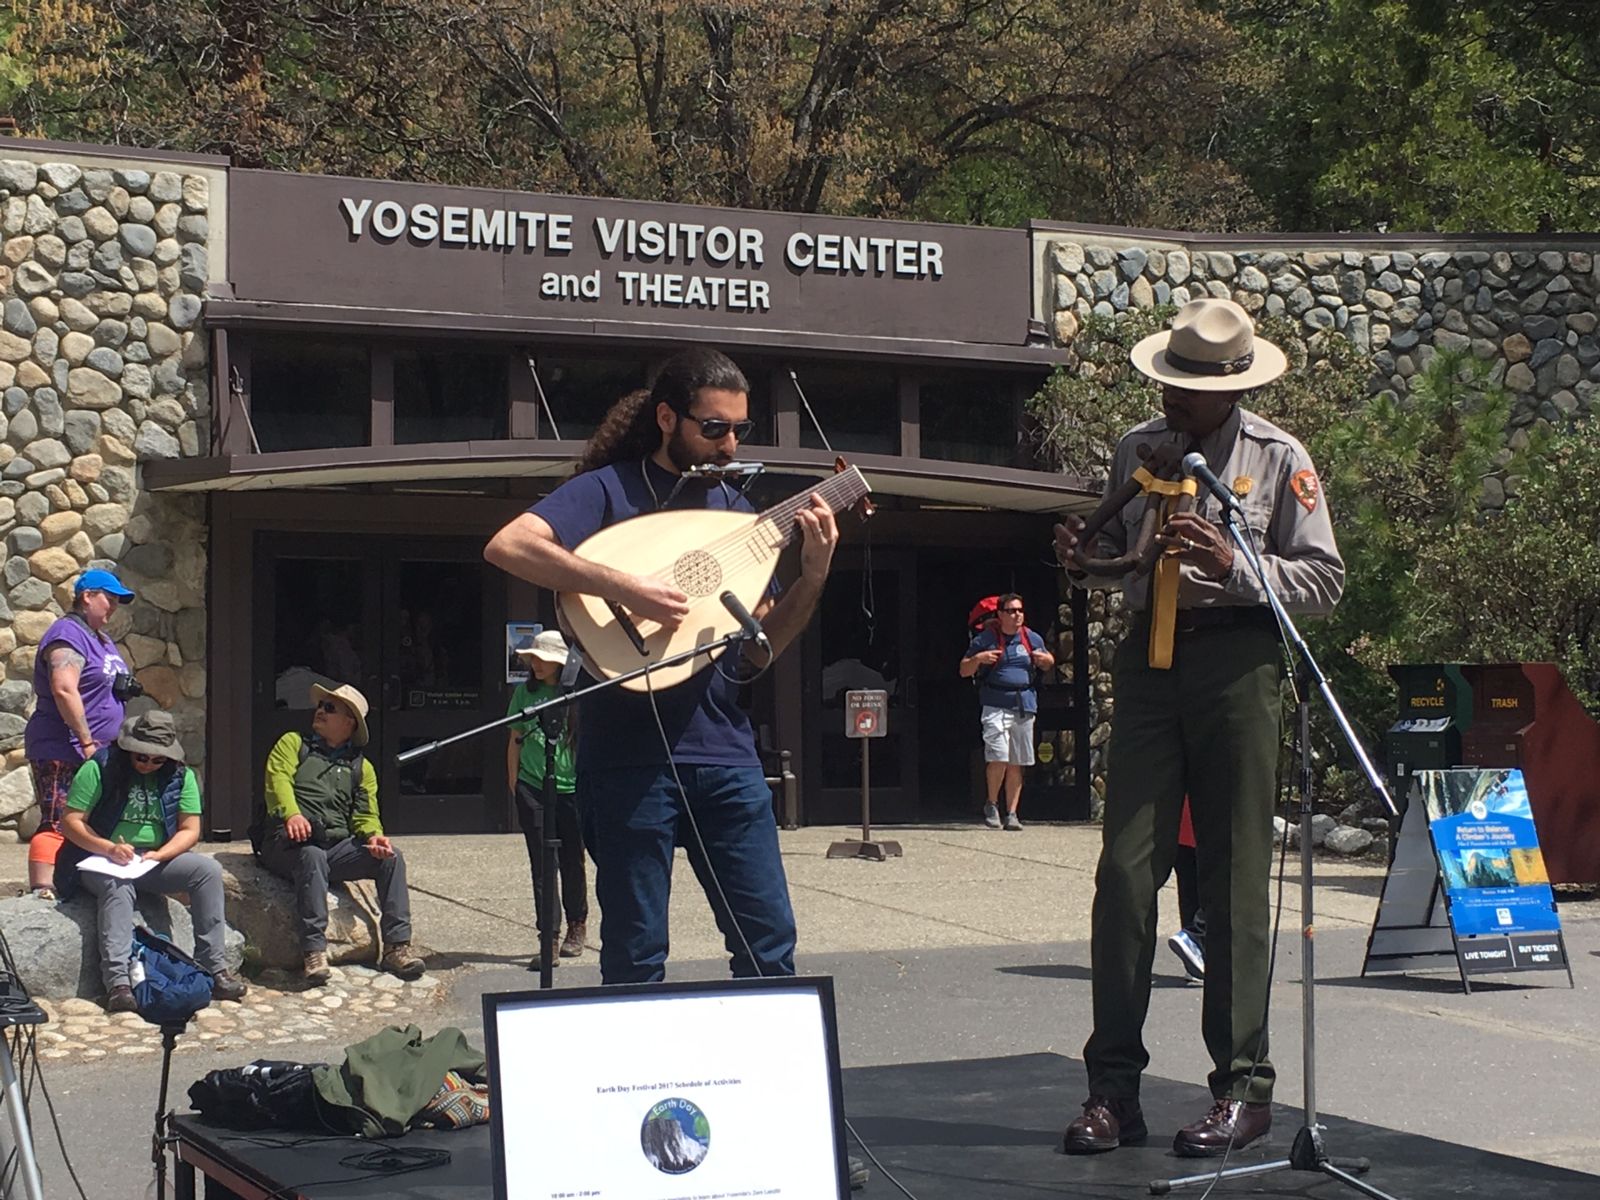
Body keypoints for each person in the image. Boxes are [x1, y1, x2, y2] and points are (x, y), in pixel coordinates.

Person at [1053, 298, 1343, 1157]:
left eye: (1187, 389)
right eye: (1166, 382)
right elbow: (1123, 569)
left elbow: (1325, 583)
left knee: (1233, 881)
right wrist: (1084, 560)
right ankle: (1113, 1090)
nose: (1170, 398)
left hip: (1238, 665)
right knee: (1125, 876)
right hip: (1150, 662)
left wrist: (1239, 567)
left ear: (1230, 391)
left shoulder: (1278, 458)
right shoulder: (1137, 450)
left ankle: (1243, 1090)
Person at [484, 346, 839, 986]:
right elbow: (509, 545)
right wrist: (626, 587)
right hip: (627, 763)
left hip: (726, 757)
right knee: (636, 953)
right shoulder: (606, 490)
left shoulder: (738, 516)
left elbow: (760, 650)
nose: (730, 445)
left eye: (741, 430)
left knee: (768, 946)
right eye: (716, 428)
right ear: (669, 417)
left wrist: (811, 580)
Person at [56, 710, 248, 1011]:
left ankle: (215, 969)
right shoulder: (100, 767)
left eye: (157, 760)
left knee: (207, 870)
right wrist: (108, 849)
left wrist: (162, 854)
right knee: (118, 886)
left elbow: (190, 829)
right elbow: (71, 822)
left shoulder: (181, 776)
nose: (148, 764)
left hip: (151, 859)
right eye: (141, 757)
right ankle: (118, 984)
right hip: (97, 860)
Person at [259, 682, 425, 983]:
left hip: (335, 847)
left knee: (392, 859)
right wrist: (292, 814)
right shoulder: (292, 743)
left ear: (350, 722)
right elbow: (277, 781)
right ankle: (314, 951)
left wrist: (374, 837)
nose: (320, 711)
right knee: (311, 856)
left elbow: (365, 813)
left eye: (330, 708)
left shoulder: (362, 768)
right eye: (321, 706)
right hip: (285, 844)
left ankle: (396, 948)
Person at [23, 568, 137, 900]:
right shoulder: (67, 634)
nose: (114, 606)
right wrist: (86, 741)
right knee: (59, 818)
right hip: (65, 747)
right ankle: (42, 892)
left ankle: (74, 883)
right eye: (109, 598)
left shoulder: (100, 638)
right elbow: (64, 689)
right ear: (87, 596)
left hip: (99, 749)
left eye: (118, 601)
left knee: (89, 819)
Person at [506, 628, 588, 969]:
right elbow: (515, 738)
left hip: (571, 789)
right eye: (533, 659)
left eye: (544, 659)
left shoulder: (577, 694)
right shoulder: (525, 693)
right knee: (543, 865)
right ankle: (548, 939)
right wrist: (514, 781)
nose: (537, 664)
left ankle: (577, 924)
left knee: (572, 859)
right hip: (532, 785)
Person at [959, 594, 1054, 831]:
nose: (1017, 615)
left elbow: (1050, 661)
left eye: (1020, 610)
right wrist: (979, 659)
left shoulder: (1031, 638)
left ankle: (1012, 812)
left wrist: (1045, 660)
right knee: (998, 757)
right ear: (1000, 615)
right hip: (995, 704)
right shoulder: (986, 639)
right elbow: (963, 670)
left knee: (1017, 762)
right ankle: (992, 804)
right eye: (1011, 611)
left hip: (1024, 705)